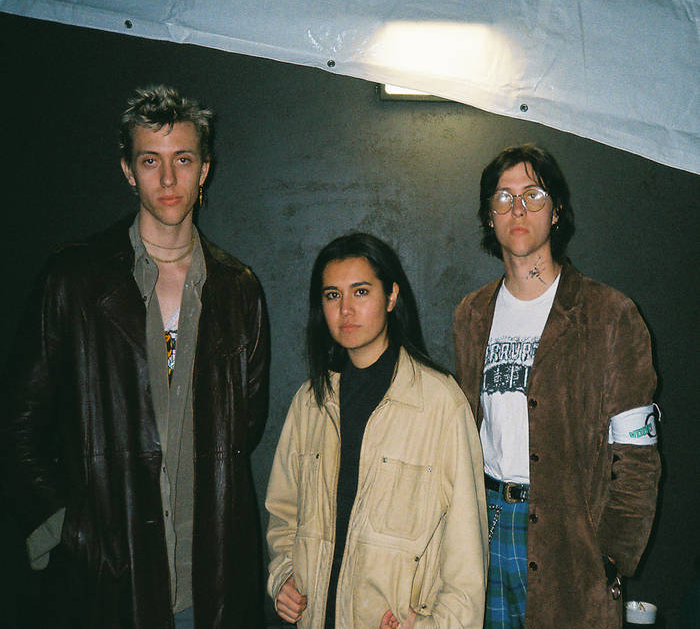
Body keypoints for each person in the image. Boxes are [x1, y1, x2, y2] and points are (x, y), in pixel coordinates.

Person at [2, 85, 269, 629]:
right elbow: (17, 423)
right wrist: (67, 530)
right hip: (106, 583)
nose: (168, 179)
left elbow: (247, 424)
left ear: (205, 170)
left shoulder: (237, 288)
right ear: (128, 170)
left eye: (183, 160)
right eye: (151, 161)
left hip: (209, 583)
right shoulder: (73, 279)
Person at [453, 144, 661, 628]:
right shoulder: (472, 314)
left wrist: (611, 555)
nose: (518, 209)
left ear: (557, 210)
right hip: (485, 526)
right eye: (503, 197)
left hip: (570, 540)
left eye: (533, 194)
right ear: (488, 216)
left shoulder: (609, 314)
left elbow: (637, 454)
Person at [265, 232, 488, 629]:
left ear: (391, 296)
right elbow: (284, 515)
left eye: (361, 292)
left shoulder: (440, 403)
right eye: (332, 295)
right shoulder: (311, 402)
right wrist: (283, 576)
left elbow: (466, 551)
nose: (345, 309)